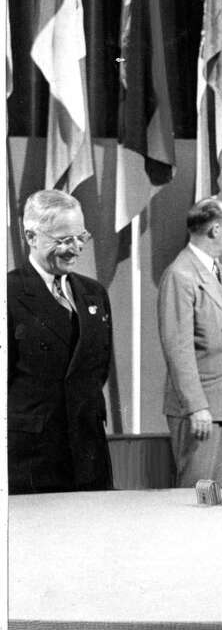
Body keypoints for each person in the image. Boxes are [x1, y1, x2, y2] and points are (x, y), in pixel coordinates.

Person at [8, 189, 113, 493]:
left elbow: (97, 369)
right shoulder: (9, 293)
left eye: (81, 237)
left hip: (88, 453)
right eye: (64, 240)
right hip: (32, 459)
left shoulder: (94, 294)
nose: (75, 249)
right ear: (31, 236)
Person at [159, 197, 222, 488]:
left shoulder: (218, 271)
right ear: (215, 230)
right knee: (198, 496)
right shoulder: (181, 275)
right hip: (204, 411)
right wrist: (196, 407)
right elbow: (178, 349)